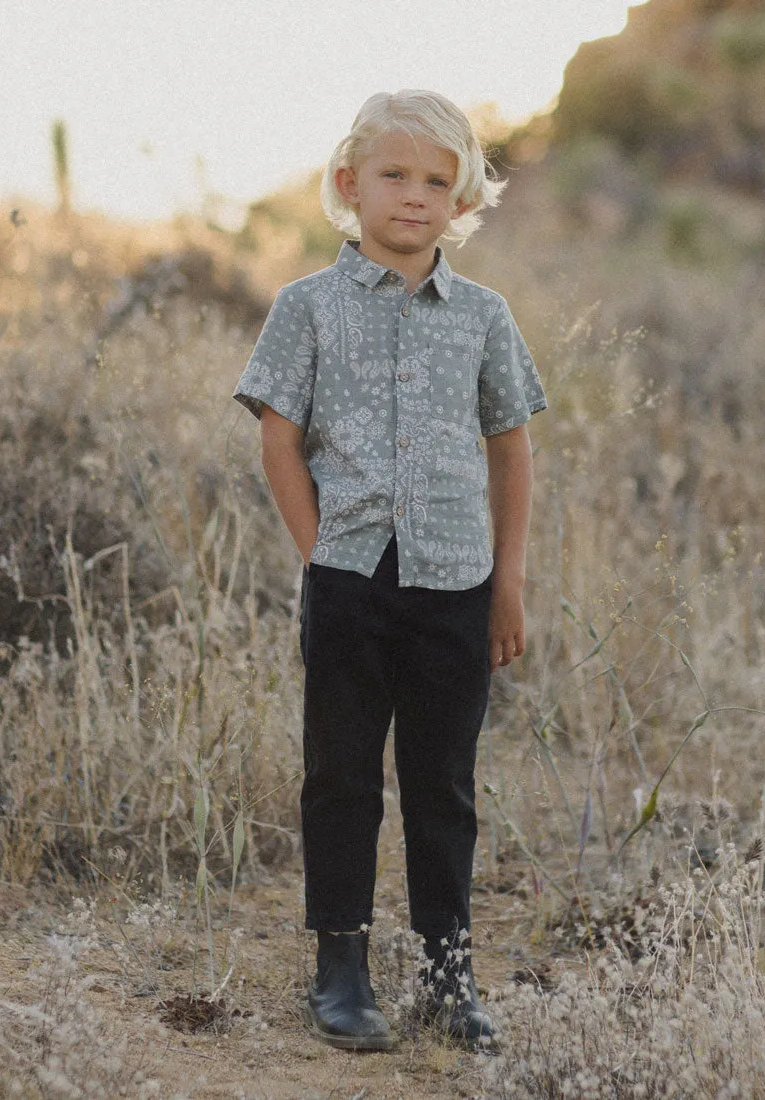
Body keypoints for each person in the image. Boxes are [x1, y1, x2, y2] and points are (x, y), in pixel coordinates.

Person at [233, 89, 546, 1052]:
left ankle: (450, 975)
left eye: (438, 182)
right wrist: (320, 553)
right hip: (351, 577)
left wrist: (508, 581)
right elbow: (278, 442)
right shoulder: (307, 307)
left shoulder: (485, 318)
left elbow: (512, 447)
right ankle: (341, 973)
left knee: (443, 782)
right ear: (348, 184)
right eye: (395, 175)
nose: (415, 197)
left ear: (462, 201)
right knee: (341, 777)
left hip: (456, 581)